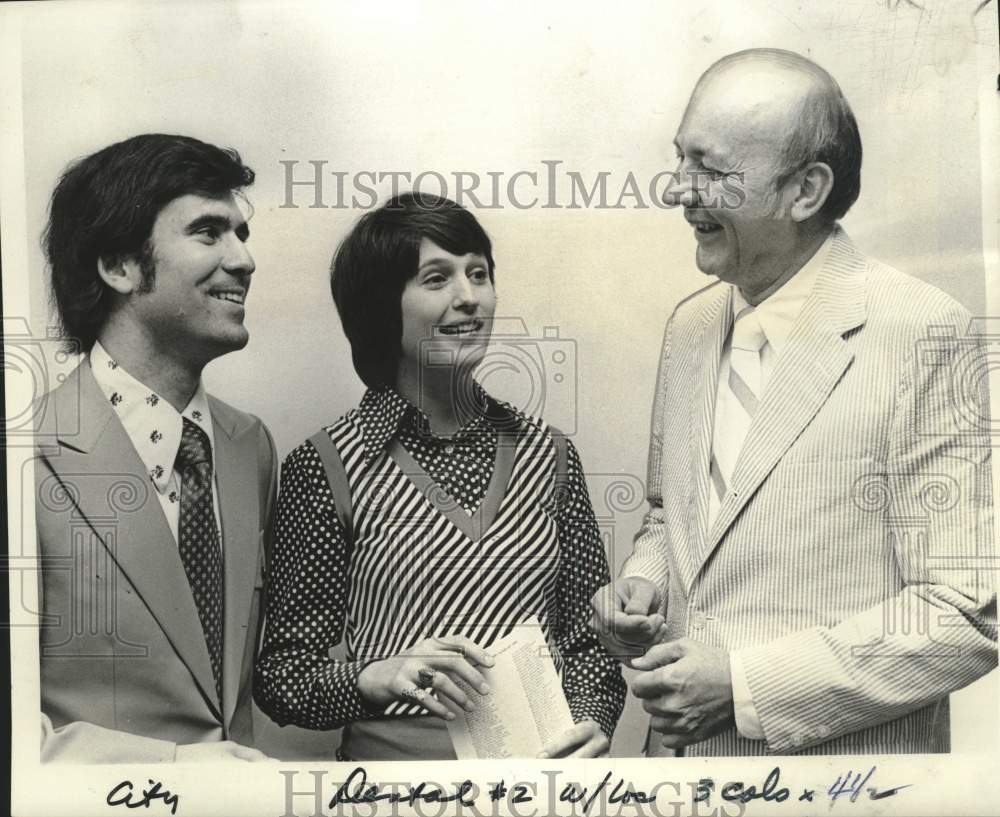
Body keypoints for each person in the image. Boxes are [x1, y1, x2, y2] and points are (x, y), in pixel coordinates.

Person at [591, 48, 995, 755]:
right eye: (678, 159)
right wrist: (641, 582)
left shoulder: (926, 332)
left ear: (805, 191)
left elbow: (967, 612)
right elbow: (672, 517)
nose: (676, 191)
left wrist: (747, 686)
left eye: (709, 170)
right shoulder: (690, 327)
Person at [254, 193, 625, 759]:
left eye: (479, 274)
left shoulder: (550, 456)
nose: (470, 298)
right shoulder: (325, 465)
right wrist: (372, 678)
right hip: (390, 791)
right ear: (382, 306)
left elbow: (586, 642)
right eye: (437, 278)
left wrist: (594, 719)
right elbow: (283, 677)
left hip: (536, 785)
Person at [35, 133, 276, 762]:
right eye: (207, 232)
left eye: (241, 235)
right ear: (119, 267)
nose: (243, 260)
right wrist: (171, 770)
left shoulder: (250, 447)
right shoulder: (24, 455)